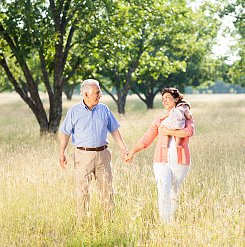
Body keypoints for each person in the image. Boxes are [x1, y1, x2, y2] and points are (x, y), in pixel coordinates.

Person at [59, 79, 128, 217]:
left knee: (107, 190)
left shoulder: (104, 109)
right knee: (82, 191)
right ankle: (83, 224)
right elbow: (65, 134)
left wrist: (123, 148)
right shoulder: (74, 111)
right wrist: (62, 153)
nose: (100, 95)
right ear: (86, 94)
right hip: (83, 156)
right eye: (97, 93)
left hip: (103, 155)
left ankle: (109, 223)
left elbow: (114, 129)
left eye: (100, 92)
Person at [124, 87, 194, 223]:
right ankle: (165, 223)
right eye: (163, 99)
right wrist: (132, 152)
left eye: (168, 98)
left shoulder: (185, 114)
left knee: (174, 193)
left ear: (176, 99)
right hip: (161, 161)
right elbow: (147, 138)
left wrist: (168, 132)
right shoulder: (160, 119)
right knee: (163, 192)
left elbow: (189, 132)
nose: (165, 101)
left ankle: (172, 220)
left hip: (181, 161)